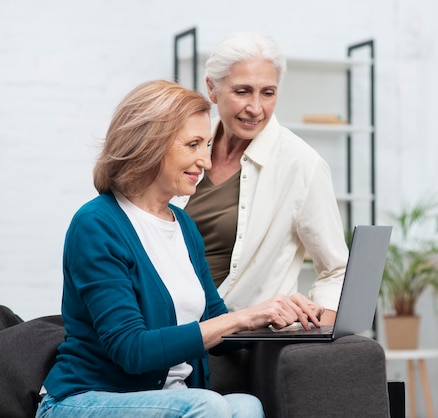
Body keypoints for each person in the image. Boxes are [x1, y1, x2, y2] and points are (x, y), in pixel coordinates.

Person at [37, 80, 324, 418]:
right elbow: (132, 350)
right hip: (83, 400)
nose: (205, 161)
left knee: (247, 406)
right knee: (208, 405)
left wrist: (272, 315)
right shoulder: (97, 226)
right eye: (192, 145)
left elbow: (216, 320)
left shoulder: (184, 226)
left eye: (207, 145)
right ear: (148, 144)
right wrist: (242, 317)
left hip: (171, 401)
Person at [178, 32, 349, 326]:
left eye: (267, 93)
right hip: (172, 329)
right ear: (212, 88)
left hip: (242, 342)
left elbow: (337, 269)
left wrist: (318, 331)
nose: (256, 108)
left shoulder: (302, 165)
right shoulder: (187, 144)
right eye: (242, 91)